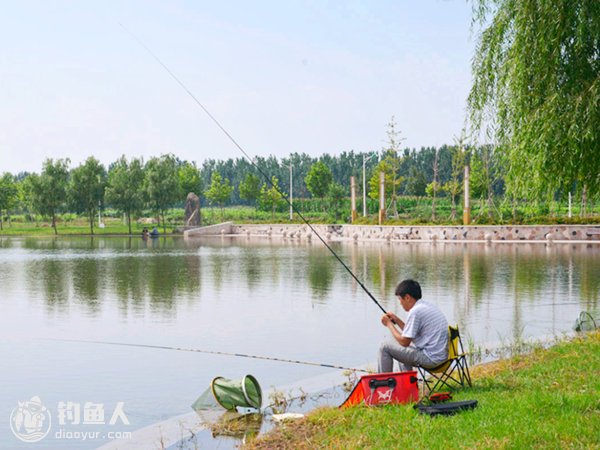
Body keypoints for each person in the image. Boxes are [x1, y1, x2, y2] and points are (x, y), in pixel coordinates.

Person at [378, 279, 448, 373]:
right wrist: (397, 320)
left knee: (384, 347)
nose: (400, 303)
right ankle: (406, 384)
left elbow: (404, 342)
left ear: (407, 297)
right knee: (400, 348)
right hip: (442, 357)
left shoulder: (415, 312)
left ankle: (383, 384)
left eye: (400, 299)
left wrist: (389, 324)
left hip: (432, 359)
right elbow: (410, 333)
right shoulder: (426, 306)